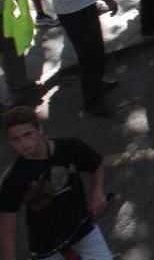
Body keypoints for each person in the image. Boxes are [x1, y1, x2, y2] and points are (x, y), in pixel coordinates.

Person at [0, 107, 113, 259]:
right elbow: (8, 226)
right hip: (45, 245)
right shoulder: (13, 178)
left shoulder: (70, 147)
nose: (23, 143)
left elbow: (96, 165)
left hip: (83, 229)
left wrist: (97, 192)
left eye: (27, 135)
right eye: (16, 139)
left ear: (39, 129)